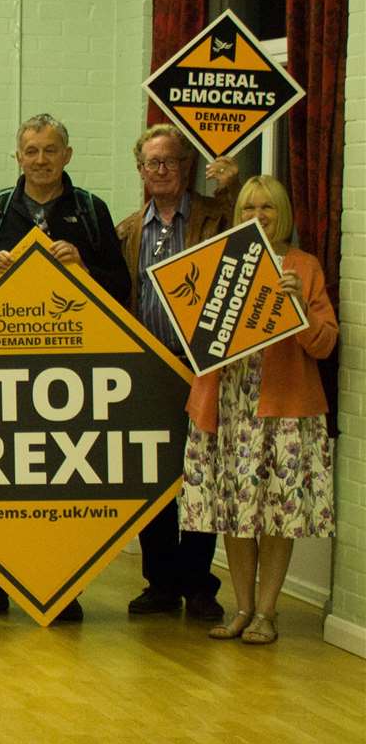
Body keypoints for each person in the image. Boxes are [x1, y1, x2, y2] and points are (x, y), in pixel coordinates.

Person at [0, 113, 130, 623]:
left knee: (61, 484)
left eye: (50, 150)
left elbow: (120, 287)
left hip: (69, 371)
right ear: (17, 157)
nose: (40, 160)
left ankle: (62, 584)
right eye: (30, 151)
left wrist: (83, 268)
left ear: (67, 156)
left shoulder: (92, 211)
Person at [179, 176, 337, 645]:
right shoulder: (220, 261)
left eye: (267, 208)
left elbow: (325, 345)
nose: (257, 216)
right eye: (248, 208)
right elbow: (193, 330)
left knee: (275, 515)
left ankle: (268, 612)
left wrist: (297, 308)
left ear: (283, 213)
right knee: (234, 513)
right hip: (226, 407)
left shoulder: (304, 267)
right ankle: (242, 608)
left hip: (283, 408)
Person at [117, 124, 237, 622]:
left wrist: (230, 186)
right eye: (151, 163)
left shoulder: (214, 216)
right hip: (147, 369)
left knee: (199, 480)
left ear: (186, 168)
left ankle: (198, 583)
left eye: (169, 161)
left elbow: (256, 238)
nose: (160, 170)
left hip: (200, 369)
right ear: (140, 169)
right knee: (153, 481)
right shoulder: (126, 230)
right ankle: (160, 582)